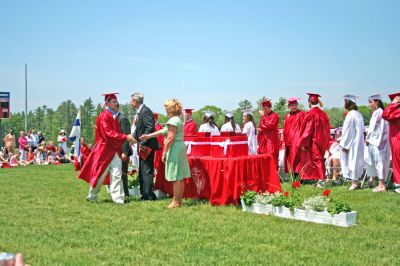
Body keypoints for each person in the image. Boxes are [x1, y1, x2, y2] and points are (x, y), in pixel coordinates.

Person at [78, 93, 136, 204]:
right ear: (107, 103)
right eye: (114, 101)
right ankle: (92, 196)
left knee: (117, 174)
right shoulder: (104, 116)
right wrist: (126, 137)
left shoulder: (114, 116)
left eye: (116, 101)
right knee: (100, 174)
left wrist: (124, 140)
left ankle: (118, 199)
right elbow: (108, 134)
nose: (117, 103)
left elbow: (116, 133)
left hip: (114, 150)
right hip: (104, 150)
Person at [140, 99, 191, 208]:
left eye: (167, 108)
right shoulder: (176, 119)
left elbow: (170, 138)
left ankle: (175, 202)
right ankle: (178, 201)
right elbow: (163, 131)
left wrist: (164, 152)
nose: (165, 110)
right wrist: (148, 136)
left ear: (171, 109)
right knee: (180, 176)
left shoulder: (173, 121)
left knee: (175, 176)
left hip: (175, 149)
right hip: (180, 147)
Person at [289, 93, 330, 186]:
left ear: (309, 102)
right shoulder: (323, 114)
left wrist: (302, 143)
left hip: (313, 141)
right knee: (319, 160)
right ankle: (319, 180)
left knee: (317, 160)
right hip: (322, 141)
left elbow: (307, 130)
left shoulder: (310, 114)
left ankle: (321, 181)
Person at [131, 92, 160, 201]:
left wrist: (142, 143)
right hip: (143, 145)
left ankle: (148, 195)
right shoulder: (140, 112)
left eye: (131, 101)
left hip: (146, 146)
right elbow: (140, 130)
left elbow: (150, 128)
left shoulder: (145, 111)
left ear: (135, 101)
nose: (130, 103)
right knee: (143, 169)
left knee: (146, 170)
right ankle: (147, 194)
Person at [365, 94, 390, 192]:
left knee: (378, 163)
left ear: (377, 102)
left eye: (371, 102)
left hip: (375, 141)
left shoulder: (377, 113)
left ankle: (381, 185)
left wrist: (367, 139)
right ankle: (380, 184)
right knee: (380, 163)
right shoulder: (382, 112)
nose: (369, 104)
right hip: (381, 141)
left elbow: (371, 128)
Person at [339, 94, 365, 190]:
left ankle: (354, 183)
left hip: (352, 142)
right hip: (359, 141)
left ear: (348, 102)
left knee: (353, 161)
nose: (344, 104)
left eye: (345, 102)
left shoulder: (350, 114)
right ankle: (357, 182)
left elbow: (348, 131)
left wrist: (344, 144)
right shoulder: (358, 114)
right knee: (357, 161)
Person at [382, 92, 400, 193]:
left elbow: (385, 114)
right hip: (395, 139)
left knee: (397, 162)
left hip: (397, 139)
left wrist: (392, 104)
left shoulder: (397, 113)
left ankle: (398, 184)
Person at [282, 97, 305, 174]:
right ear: (289, 106)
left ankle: (298, 178)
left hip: (296, 141)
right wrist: (283, 141)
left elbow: (303, 129)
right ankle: (292, 178)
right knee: (289, 159)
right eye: (292, 105)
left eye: (295, 105)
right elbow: (284, 129)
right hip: (288, 141)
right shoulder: (287, 115)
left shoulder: (301, 114)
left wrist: (302, 141)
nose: (294, 106)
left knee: (296, 159)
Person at [257, 99, 280, 169]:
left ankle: (273, 176)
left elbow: (268, 126)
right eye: (263, 108)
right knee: (264, 158)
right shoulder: (265, 116)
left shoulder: (275, 116)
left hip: (271, 140)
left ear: (270, 107)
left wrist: (263, 116)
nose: (264, 110)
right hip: (264, 140)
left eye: (266, 108)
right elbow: (261, 126)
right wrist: (260, 130)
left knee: (271, 157)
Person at [119, 112, 133, 198]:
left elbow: (126, 136)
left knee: (123, 172)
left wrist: (124, 152)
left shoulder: (122, 118)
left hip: (123, 151)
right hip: (116, 151)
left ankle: (125, 193)